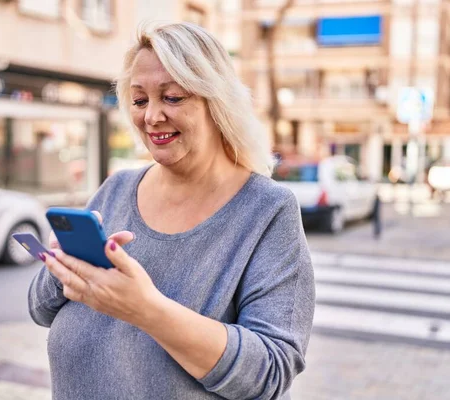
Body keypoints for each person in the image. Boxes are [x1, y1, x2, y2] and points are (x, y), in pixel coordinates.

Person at [28, 22, 315, 400]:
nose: (152, 117)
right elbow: (40, 309)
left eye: (173, 98)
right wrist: (64, 268)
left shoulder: (267, 211)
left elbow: (270, 372)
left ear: (217, 102)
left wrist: (145, 309)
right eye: (140, 100)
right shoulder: (116, 189)